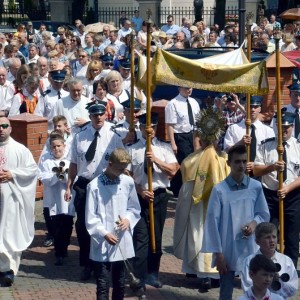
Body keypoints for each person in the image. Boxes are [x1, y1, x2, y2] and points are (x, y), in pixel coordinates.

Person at [201, 144, 270, 300]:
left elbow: (263, 213)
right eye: (237, 162)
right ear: (229, 163)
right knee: (226, 292)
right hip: (227, 248)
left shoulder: (255, 187)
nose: (241, 166)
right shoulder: (220, 190)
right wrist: (218, 254)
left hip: (250, 246)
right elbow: (212, 223)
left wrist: (253, 224)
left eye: (244, 161)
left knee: (254, 290)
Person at [173, 104, 230, 291]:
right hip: (212, 207)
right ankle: (210, 275)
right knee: (210, 236)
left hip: (199, 208)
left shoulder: (192, 160)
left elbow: (185, 192)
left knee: (200, 236)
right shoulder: (223, 160)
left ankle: (204, 274)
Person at [64, 101, 123, 281]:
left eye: (101, 114)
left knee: (104, 224)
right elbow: (74, 163)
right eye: (94, 114)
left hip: (105, 184)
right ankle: (86, 264)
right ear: (89, 116)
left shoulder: (114, 136)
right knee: (83, 226)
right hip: (84, 185)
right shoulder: (80, 136)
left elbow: (121, 161)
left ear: (106, 115)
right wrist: (68, 186)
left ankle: (105, 263)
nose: (98, 117)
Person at [126, 112, 178, 297]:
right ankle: (137, 276)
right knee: (141, 238)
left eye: (154, 127)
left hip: (159, 196)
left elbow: (173, 170)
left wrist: (155, 160)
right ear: (140, 127)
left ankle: (153, 273)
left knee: (156, 235)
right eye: (147, 127)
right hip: (140, 196)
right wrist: (140, 190)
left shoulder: (163, 147)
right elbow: (127, 174)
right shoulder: (132, 149)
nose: (150, 130)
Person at [85, 148, 141, 300]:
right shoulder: (94, 186)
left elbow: (134, 207)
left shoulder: (127, 182)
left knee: (120, 282)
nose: (123, 172)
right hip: (102, 240)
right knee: (103, 283)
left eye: (125, 168)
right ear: (110, 164)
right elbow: (91, 217)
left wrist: (128, 219)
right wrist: (104, 233)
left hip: (121, 239)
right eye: (120, 168)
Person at [253, 111, 300, 268]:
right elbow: (256, 170)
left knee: (292, 235)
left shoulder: (298, 147)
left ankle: (289, 269)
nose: (284, 131)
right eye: (281, 127)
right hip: (270, 196)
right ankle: (267, 265)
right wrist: (272, 167)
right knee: (269, 233)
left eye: (287, 127)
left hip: (292, 195)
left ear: (292, 127)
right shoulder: (266, 146)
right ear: (275, 126)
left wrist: (287, 188)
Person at [0, 117, 37, 286]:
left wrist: (13, 174)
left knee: (10, 233)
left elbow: (31, 170)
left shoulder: (20, 149)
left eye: (4, 125)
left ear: (10, 128)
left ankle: (9, 270)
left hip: (12, 200)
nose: (1, 128)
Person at [38, 135, 75, 266]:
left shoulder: (70, 160)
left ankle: (63, 248)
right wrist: (57, 177)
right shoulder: (46, 160)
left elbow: (74, 175)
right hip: (53, 198)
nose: (56, 149)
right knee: (56, 227)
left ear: (64, 146)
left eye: (59, 146)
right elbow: (42, 176)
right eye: (53, 147)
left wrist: (64, 177)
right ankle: (59, 253)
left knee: (67, 226)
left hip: (67, 198)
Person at [241, 222, 298, 299]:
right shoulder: (249, 261)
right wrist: (268, 282)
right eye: (267, 237)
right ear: (257, 241)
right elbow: (247, 288)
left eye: (274, 237)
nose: (272, 241)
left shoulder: (286, 261)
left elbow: (293, 290)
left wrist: (280, 282)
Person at [224, 96, 275, 174]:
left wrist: (256, 165)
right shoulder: (234, 128)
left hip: (261, 174)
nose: (252, 110)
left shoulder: (268, 131)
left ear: (260, 109)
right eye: (250, 107)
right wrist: (240, 143)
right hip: (239, 172)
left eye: (255, 107)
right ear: (245, 107)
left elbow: (271, 155)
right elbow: (227, 150)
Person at [165, 86, 200, 196]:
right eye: (186, 88)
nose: (189, 90)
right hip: (180, 136)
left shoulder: (194, 102)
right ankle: (176, 186)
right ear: (179, 88)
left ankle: (175, 185)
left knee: (194, 161)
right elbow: (170, 125)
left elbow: (198, 120)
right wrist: (173, 143)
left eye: (190, 88)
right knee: (187, 162)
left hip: (194, 134)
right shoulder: (173, 103)